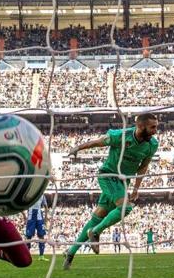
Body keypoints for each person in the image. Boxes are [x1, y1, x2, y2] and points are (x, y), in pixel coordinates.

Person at [63, 113, 159, 269]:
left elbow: (143, 166)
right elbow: (98, 142)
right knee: (125, 208)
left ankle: (71, 252)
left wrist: (136, 188)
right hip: (108, 175)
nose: (155, 130)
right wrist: (78, 147)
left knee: (99, 214)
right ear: (141, 126)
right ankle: (95, 232)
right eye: (153, 127)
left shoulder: (152, 145)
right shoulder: (120, 136)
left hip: (123, 182)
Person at [25, 194, 49, 261]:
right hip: (31, 218)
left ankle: (41, 256)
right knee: (28, 237)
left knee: (41, 236)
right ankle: (27, 256)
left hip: (39, 217)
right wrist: (24, 216)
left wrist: (46, 219)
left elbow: (46, 207)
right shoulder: (30, 194)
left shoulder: (42, 195)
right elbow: (23, 205)